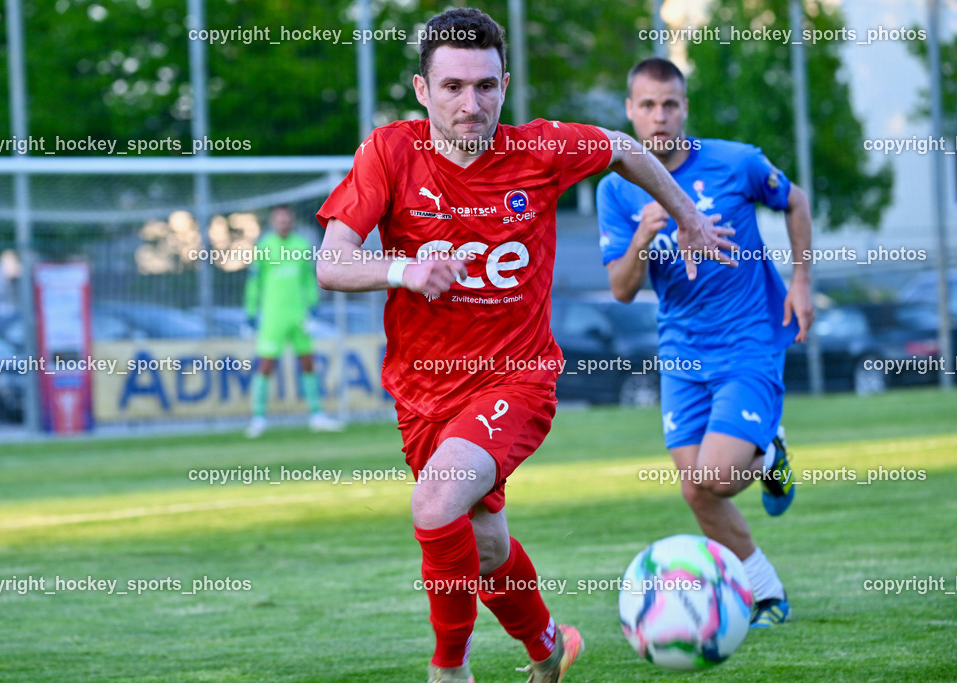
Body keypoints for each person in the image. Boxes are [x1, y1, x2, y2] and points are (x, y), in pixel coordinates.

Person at [315, 11, 735, 682]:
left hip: (517, 380)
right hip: (422, 392)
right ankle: (547, 647)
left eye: (485, 86)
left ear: (504, 85)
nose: (470, 103)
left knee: (435, 502)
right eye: (452, 87)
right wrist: (405, 269)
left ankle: (449, 669)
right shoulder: (389, 154)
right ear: (422, 90)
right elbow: (331, 262)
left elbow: (624, 149)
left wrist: (687, 216)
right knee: (484, 550)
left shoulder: (541, 150)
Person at [596, 57, 814, 629]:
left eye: (670, 104)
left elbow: (795, 200)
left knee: (716, 474)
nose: (659, 117)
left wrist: (801, 280)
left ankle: (767, 452)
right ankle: (766, 593)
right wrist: (644, 234)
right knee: (696, 489)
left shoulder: (736, 162)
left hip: (748, 339)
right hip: (681, 351)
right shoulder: (616, 189)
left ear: (685, 108)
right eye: (648, 105)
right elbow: (621, 290)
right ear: (630, 110)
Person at [244, 205, 343, 436]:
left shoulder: (301, 245)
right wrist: (250, 313)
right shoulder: (264, 246)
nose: (284, 224)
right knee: (266, 364)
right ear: (273, 222)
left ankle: (317, 415)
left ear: (292, 221)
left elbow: (308, 279)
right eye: (280, 220)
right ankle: (258, 418)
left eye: (287, 220)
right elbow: (254, 283)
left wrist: (313, 307)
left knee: (307, 362)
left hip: (299, 315)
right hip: (273, 316)